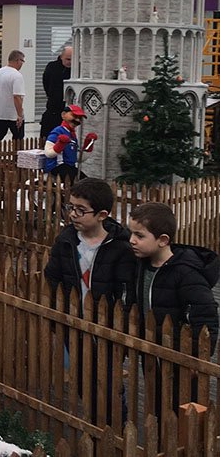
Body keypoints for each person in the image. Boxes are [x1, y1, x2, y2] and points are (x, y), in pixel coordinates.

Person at [45, 178, 136, 424]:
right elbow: (52, 278)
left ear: (102, 215)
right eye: (70, 207)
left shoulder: (120, 247)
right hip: (73, 324)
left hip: (107, 328)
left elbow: (127, 291)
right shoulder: (65, 241)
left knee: (110, 384)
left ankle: (116, 426)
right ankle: (95, 425)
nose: (73, 214)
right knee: (84, 381)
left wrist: (123, 324)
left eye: (80, 210)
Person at [129, 202, 219, 416]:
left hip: (181, 356)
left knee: (184, 411)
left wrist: (196, 358)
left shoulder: (186, 273)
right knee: (157, 405)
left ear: (163, 240)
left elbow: (206, 317)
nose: (132, 240)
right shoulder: (141, 265)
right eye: (131, 233)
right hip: (152, 351)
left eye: (139, 236)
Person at [43, 104, 97, 183]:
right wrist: (60, 144)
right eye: (74, 116)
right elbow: (48, 153)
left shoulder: (72, 135)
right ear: (63, 115)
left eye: (80, 118)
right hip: (57, 167)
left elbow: (78, 158)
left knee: (86, 182)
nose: (77, 120)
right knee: (76, 182)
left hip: (69, 167)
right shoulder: (57, 131)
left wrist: (88, 144)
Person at [0, 50, 26, 141]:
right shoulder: (17, 75)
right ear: (18, 60)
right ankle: (16, 154)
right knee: (18, 138)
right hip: (13, 114)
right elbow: (17, 97)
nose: (22, 64)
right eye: (22, 61)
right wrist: (20, 114)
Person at [40, 46, 73, 140]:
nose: (70, 62)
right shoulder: (52, 67)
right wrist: (51, 95)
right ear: (61, 56)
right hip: (53, 108)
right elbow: (45, 82)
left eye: (72, 59)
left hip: (68, 109)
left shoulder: (76, 69)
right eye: (67, 59)